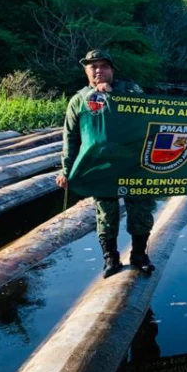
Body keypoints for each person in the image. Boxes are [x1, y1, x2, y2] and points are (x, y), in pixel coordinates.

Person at [56, 49, 157, 278]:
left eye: (103, 66)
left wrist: (112, 97)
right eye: (93, 66)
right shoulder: (79, 100)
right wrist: (66, 170)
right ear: (86, 71)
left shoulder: (130, 90)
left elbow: (147, 116)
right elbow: (71, 138)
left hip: (134, 165)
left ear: (112, 70)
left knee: (141, 211)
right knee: (106, 214)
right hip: (101, 169)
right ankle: (111, 259)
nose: (98, 70)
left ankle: (139, 255)